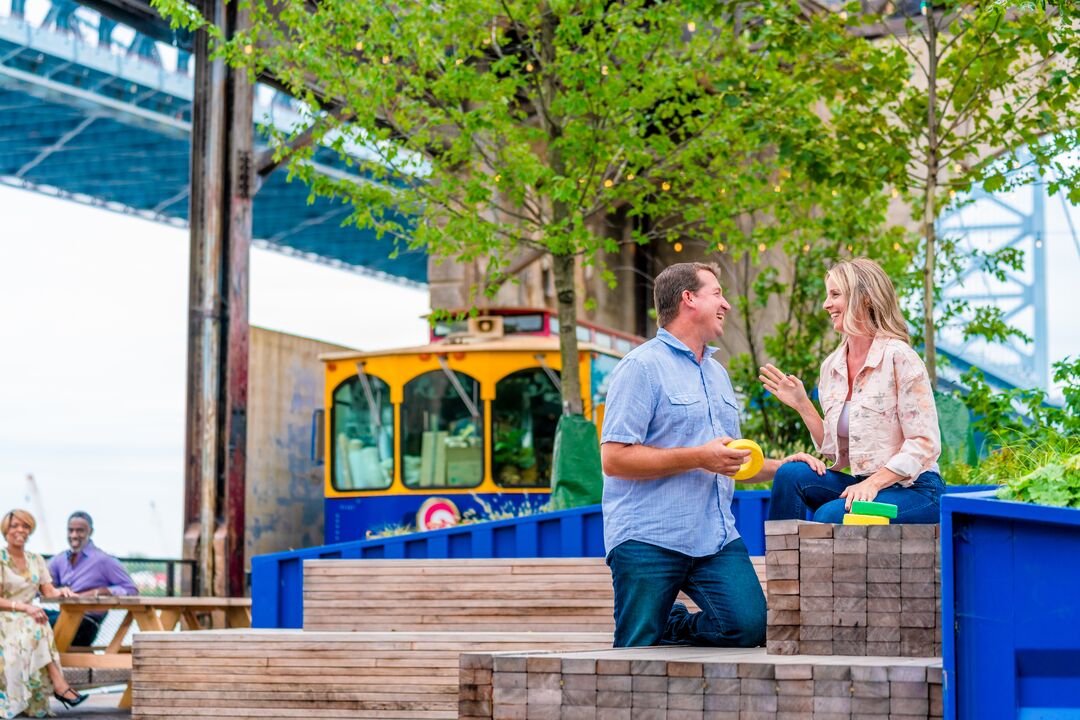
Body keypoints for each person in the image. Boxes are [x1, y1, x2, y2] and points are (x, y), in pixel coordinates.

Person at [601, 262, 827, 648]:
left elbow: (725, 459)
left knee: (749, 627)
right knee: (636, 650)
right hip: (648, 537)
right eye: (717, 293)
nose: (726, 304)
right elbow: (614, 459)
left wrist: (779, 466)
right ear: (688, 298)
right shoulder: (640, 367)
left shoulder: (717, 374)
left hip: (714, 539)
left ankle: (671, 625)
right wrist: (697, 458)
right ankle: (657, 623)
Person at [760, 257, 943, 524]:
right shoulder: (832, 367)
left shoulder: (899, 357)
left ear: (865, 298)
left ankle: (807, 563)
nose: (826, 304)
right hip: (863, 486)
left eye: (835, 295)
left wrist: (874, 483)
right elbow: (837, 454)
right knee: (791, 474)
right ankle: (782, 563)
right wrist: (803, 405)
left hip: (915, 490)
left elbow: (924, 443)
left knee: (831, 514)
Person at [1, 509, 88, 716]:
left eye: (25, 526)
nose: (20, 530)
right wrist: (25, 607)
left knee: (37, 621)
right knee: (37, 620)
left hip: (29, 618)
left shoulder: (36, 559)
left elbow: (48, 591)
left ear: (30, 530)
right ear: (5, 530)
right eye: (15, 526)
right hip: (6, 616)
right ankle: (60, 685)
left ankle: (58, 686)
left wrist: (63, 591)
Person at [47, 511, 138, 648]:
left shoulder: (104, 560)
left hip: (86, 624)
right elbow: (42, 586)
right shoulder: (59, 560)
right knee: (26, 618)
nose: (74, 535)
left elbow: (131, 589)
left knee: (36, 625)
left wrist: (101, 591)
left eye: (80, 531)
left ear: (91, 531)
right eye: (70, 530)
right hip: (64, 615)